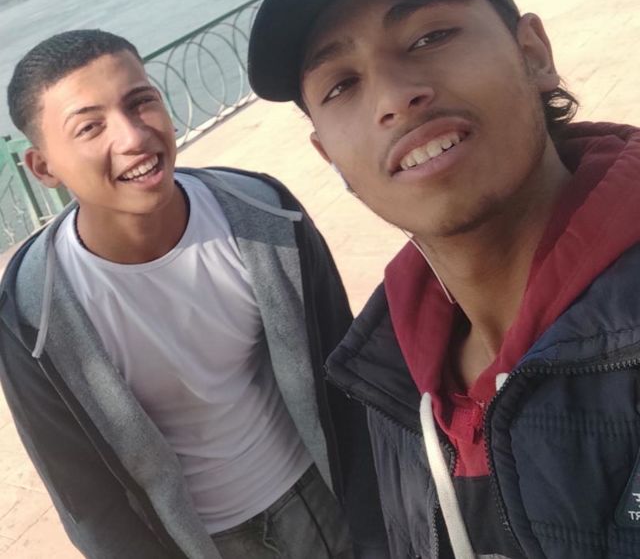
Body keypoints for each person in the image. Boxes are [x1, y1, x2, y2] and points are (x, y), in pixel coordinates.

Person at [247, 0, 640, 559]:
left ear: (533, 53)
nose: (395, 98)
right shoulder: (385, 372)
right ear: (329, 156)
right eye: (341, 85)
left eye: (429, 37)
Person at [0, 29, 388, 559]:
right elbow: (86, 502)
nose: (133, 137)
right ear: (44, 168)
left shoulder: (263, 213)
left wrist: (377, 518)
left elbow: (346, 369)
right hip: (197, 543)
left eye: (141, 102)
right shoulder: (30, 312)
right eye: (90, 127)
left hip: (321, 495)